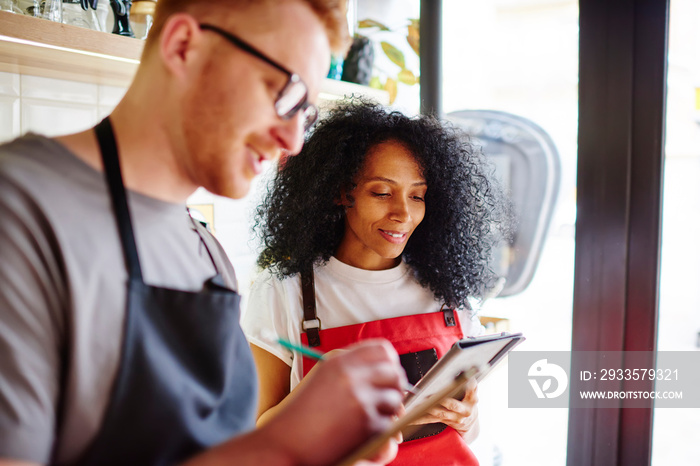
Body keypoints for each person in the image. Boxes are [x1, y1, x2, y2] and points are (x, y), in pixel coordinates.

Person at [0, 1, 409, 465]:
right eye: (284, 92)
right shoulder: (19, 211)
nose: (293, 141)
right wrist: (284, 442)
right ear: (183, 46)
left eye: (306, 113)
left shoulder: (206, 254)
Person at [243, 101, 511, 465]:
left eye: (417, 195)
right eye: (382, 192)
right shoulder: (284, 292)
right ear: (341, 192)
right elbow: (259, 441)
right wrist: (320, 393)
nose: (403, 212)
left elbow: (468, 430)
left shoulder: (444, 289)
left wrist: (468, 419)